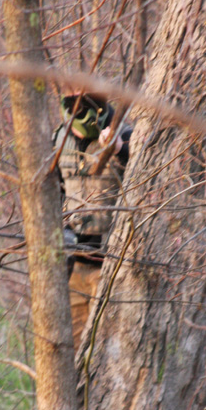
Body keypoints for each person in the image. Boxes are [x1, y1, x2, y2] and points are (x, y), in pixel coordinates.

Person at [54, 93, 131, 349]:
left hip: (108, 267)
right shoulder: (59, 139)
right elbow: (54, 192)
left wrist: (119, 148)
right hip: (73, 266)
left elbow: (144, 155)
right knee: (74, 348)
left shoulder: (123, 134)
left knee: (103, 348)